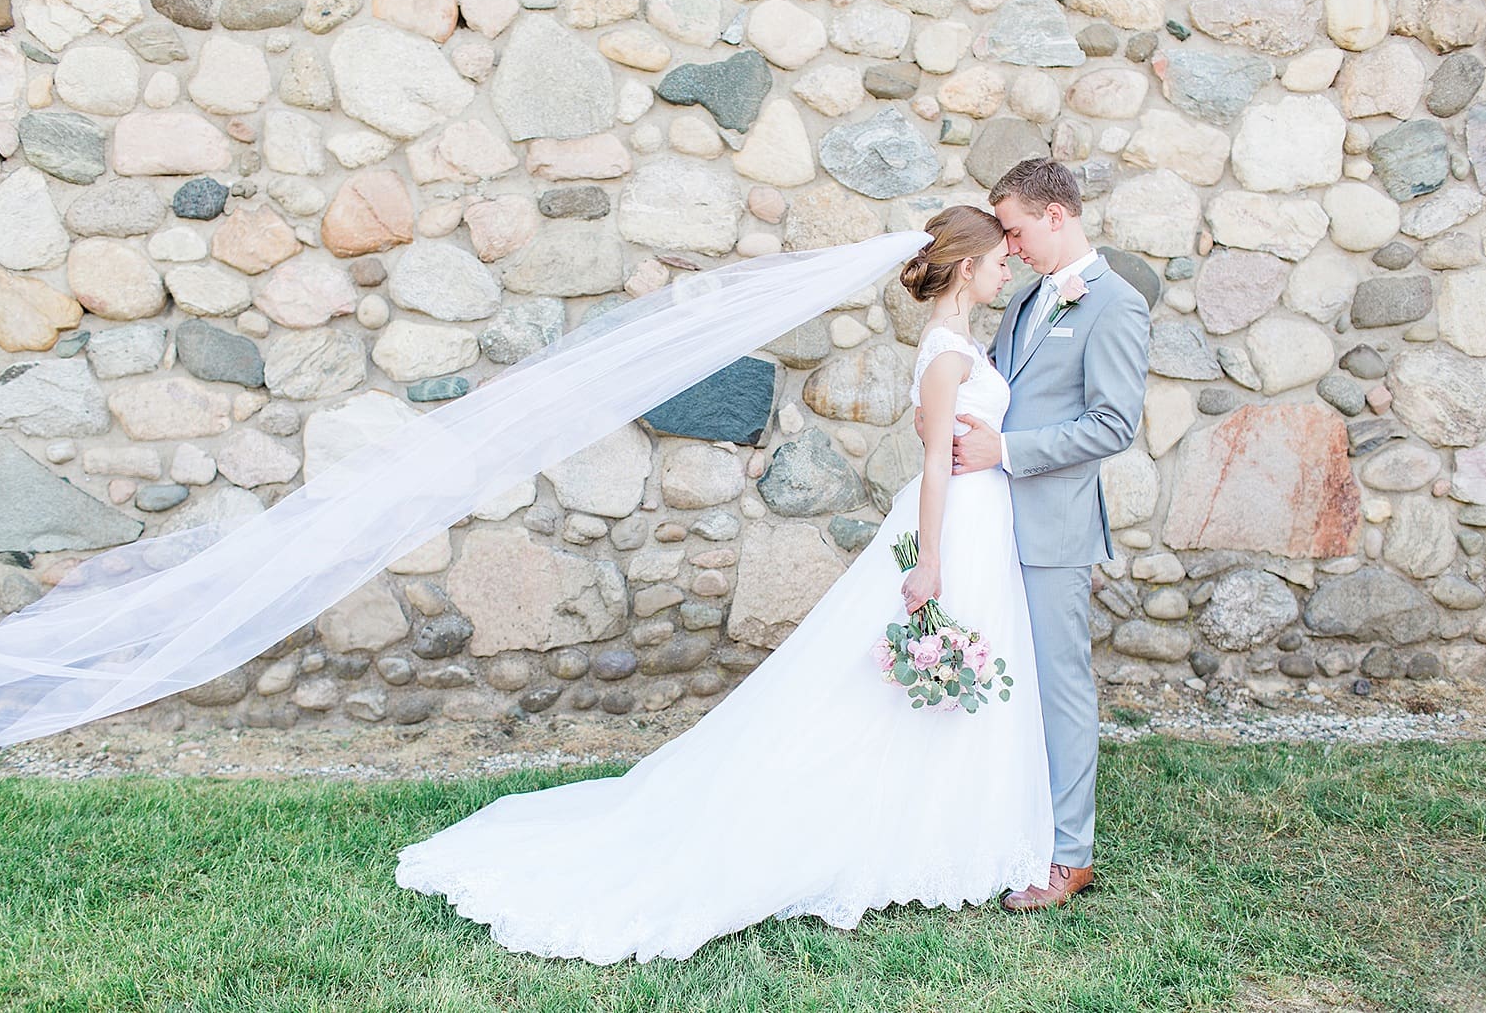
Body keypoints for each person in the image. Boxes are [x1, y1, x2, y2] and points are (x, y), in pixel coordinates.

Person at [393, 205, 1057, 964]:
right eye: (1000, 257)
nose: (1010, 267)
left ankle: (947, 822)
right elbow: (935, 461)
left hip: (979, 521)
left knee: (934, 677)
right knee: (884, 683)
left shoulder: (963, 344)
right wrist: (929, 561)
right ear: (967, 267)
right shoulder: (946, 354)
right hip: (953, 527)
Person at [914, 159, 1150, 912]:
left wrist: (1005, 452)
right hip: (990, 523)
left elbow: (1112, 424)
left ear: (1056, 215)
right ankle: (1000, 826)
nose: (1006, 247)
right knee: (1004, 683)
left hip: (1049, 527)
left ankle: (1068, 856)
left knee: (1059, 688)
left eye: (1013, 229)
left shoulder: (1114, 304)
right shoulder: (1022, 301)